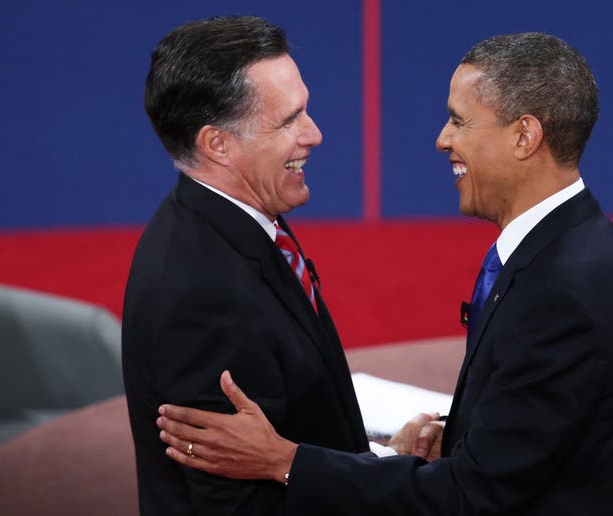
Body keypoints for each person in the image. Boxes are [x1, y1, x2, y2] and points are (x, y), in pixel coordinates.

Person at [156, 31, 613, 515]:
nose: (442, 140)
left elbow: (472, 496)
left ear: (524, 136)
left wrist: (283, 461)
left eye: (459, 122)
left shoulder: (564, 286)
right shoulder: (559, 250)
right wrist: (465, 438)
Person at [122, 15, 415, 515]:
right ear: (218, 145)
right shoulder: (204, 295)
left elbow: (283, 434)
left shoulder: (238, 221)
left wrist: (378, 457)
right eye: (288, 121)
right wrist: (391, 481)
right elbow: (238, 506)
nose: (315, 134)